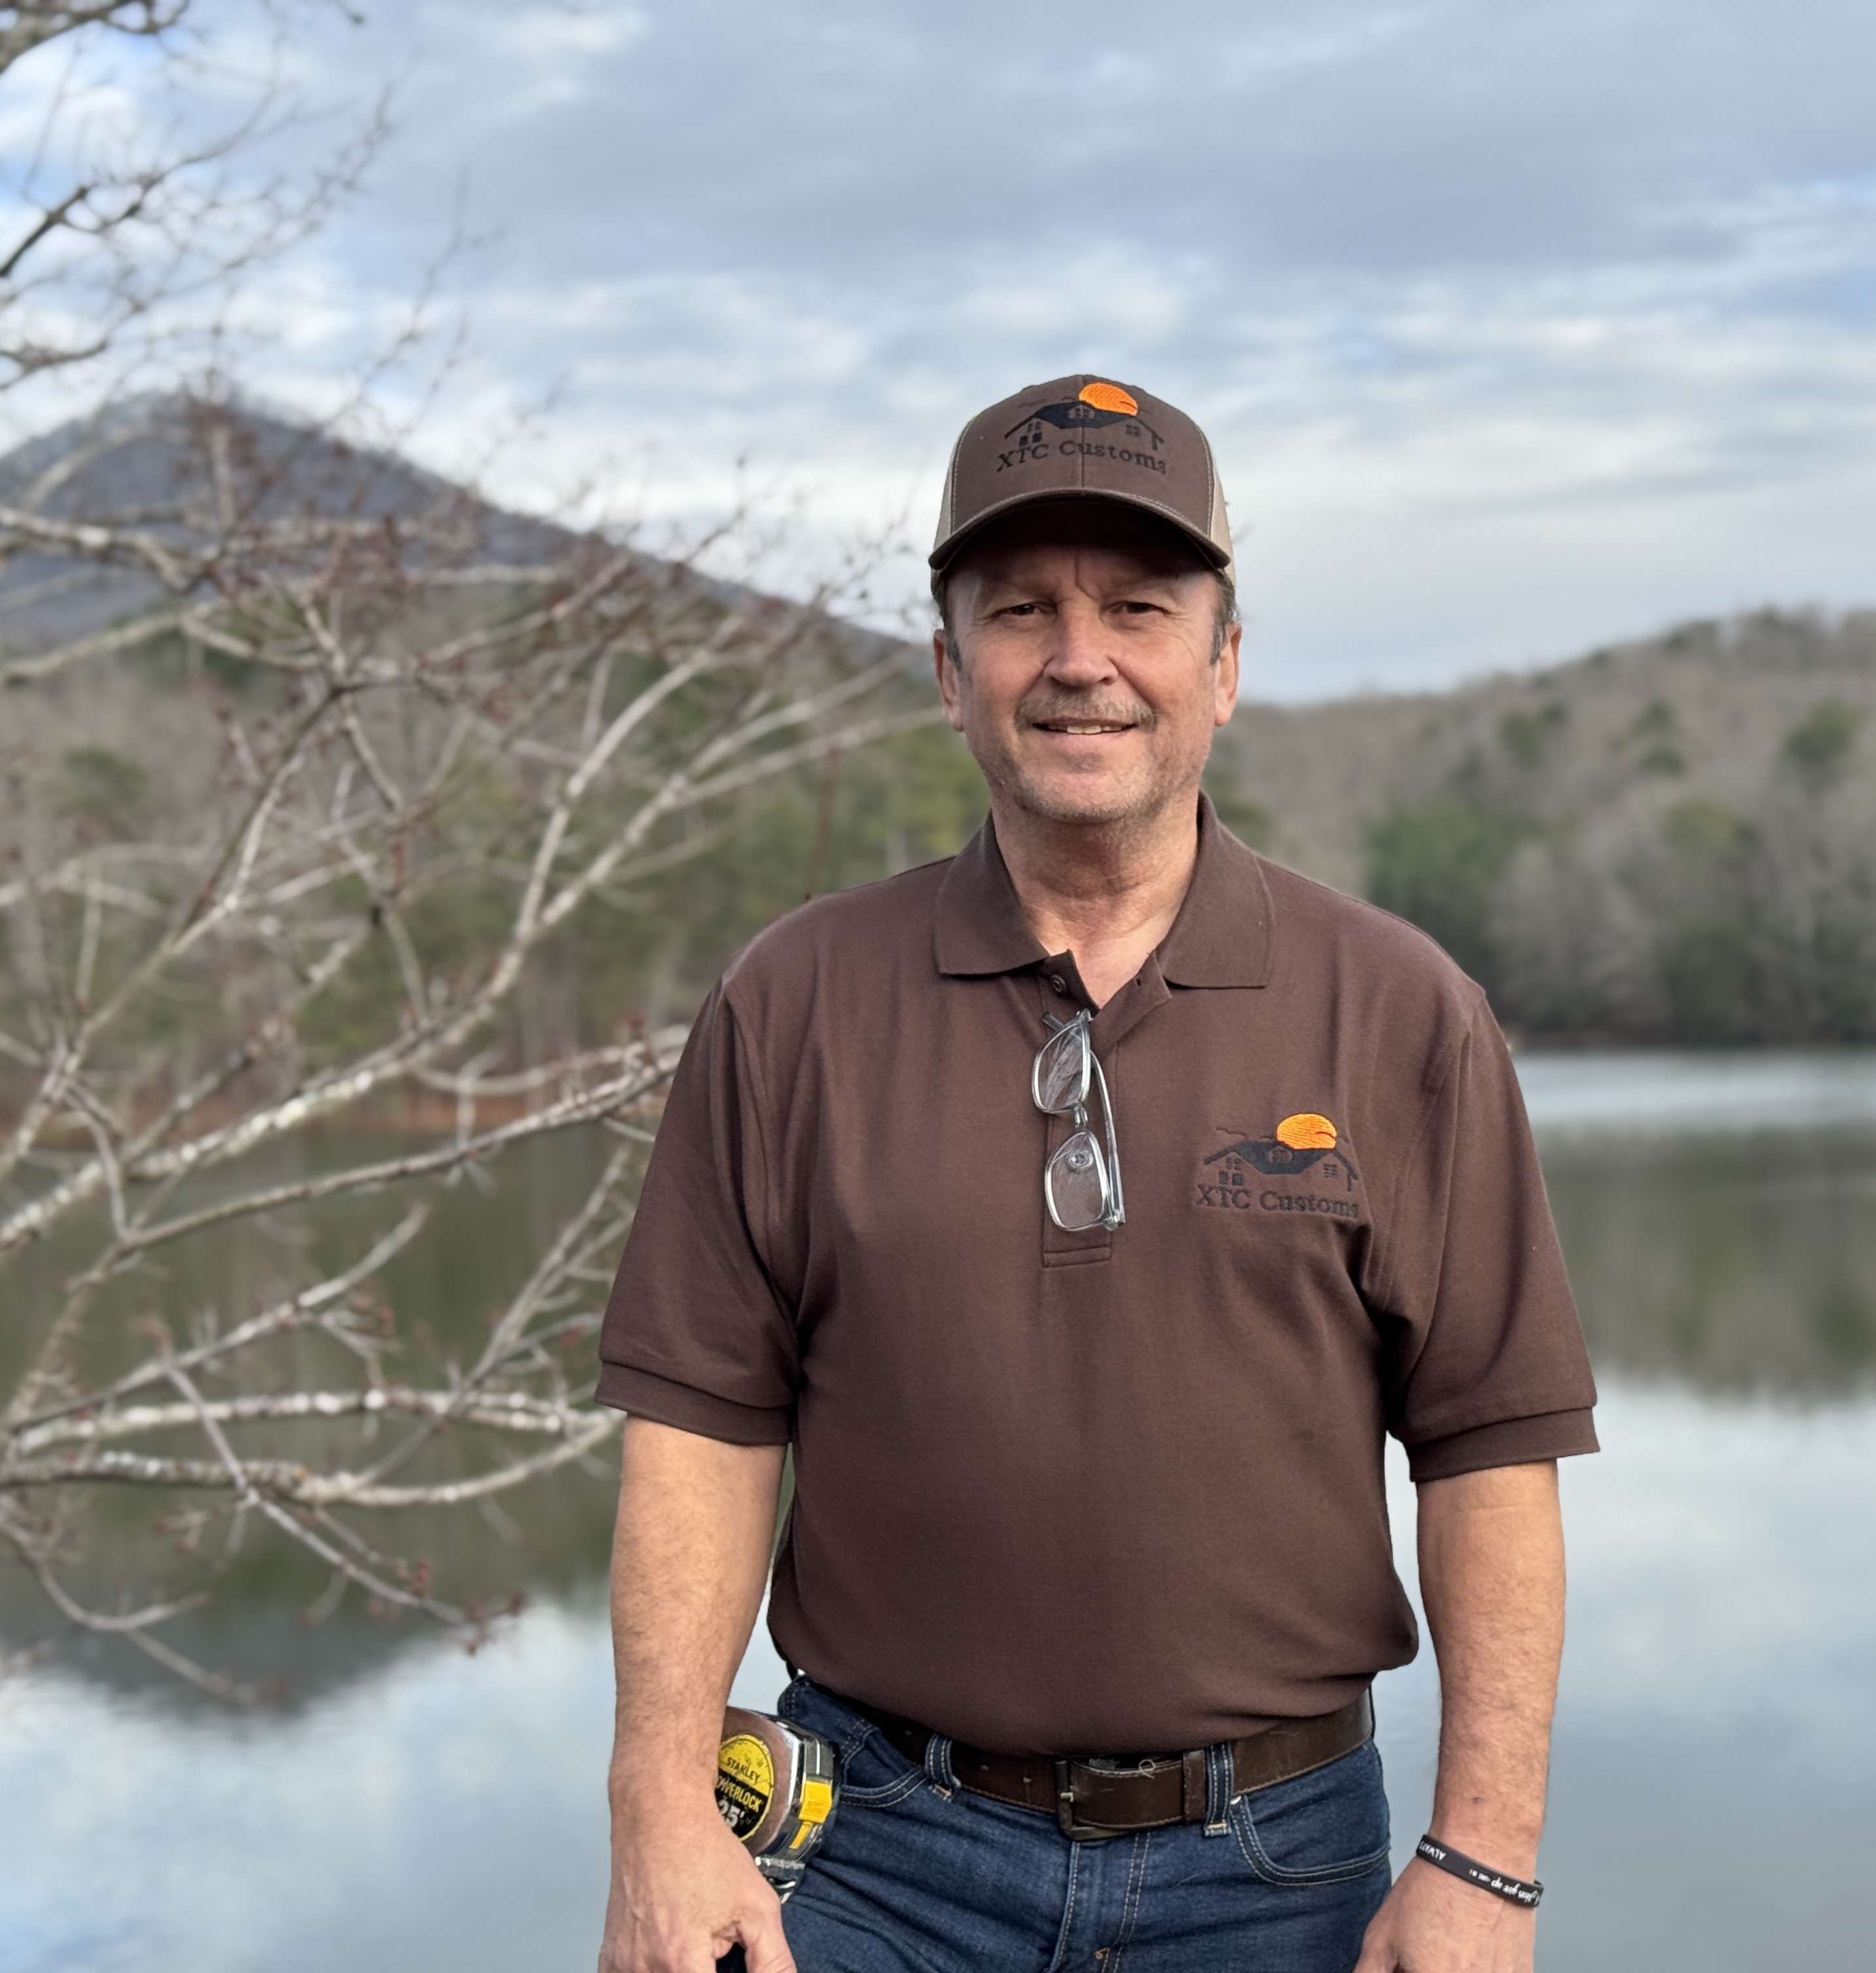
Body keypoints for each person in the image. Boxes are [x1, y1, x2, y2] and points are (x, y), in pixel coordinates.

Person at [593, 375, 1597, 1973]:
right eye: (1021, 611)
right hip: (872, 1862)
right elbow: (703, 1430)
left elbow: (1491, 1455)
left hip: (1278, 1875)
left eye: (1139, 606)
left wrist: (1485, 1863)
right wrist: (657, 1812)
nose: (1081, 658)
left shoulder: (1402, 1011)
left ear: (1225, 664)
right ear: (950, 671)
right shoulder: (791, 1004)